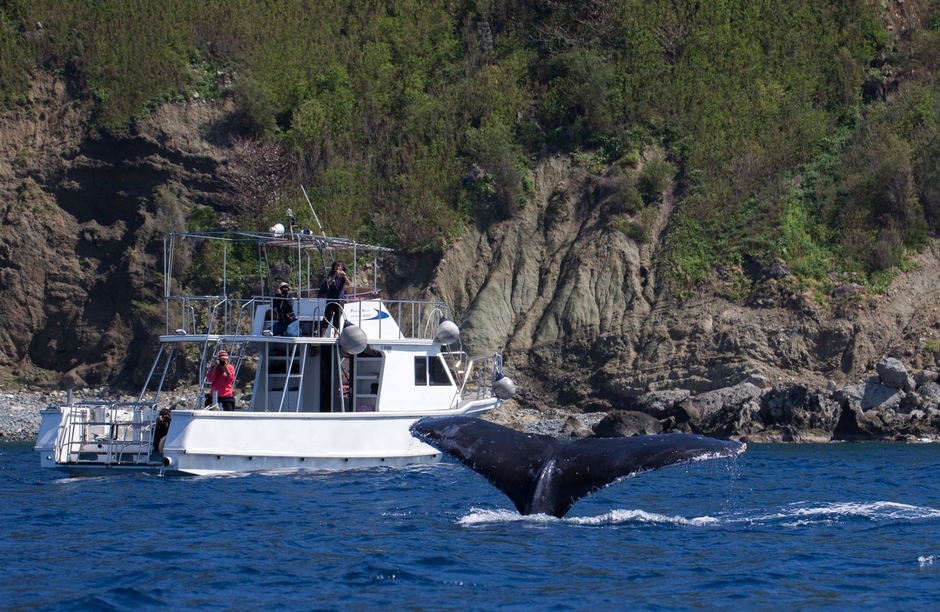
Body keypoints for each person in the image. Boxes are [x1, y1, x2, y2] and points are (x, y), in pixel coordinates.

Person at [318, 261, 349, 336]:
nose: (338, 268)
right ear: (334, 267)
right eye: (336, 266)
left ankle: (336, 333)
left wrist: (344, 276)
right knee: (328, 315)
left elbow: (348, 283)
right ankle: (323, 334)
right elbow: (328, 283)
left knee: (338, 317)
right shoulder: (330, 275)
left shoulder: (342, 276)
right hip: (331, 298)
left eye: (339, 266)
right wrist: (335, 275)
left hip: (340, 299)